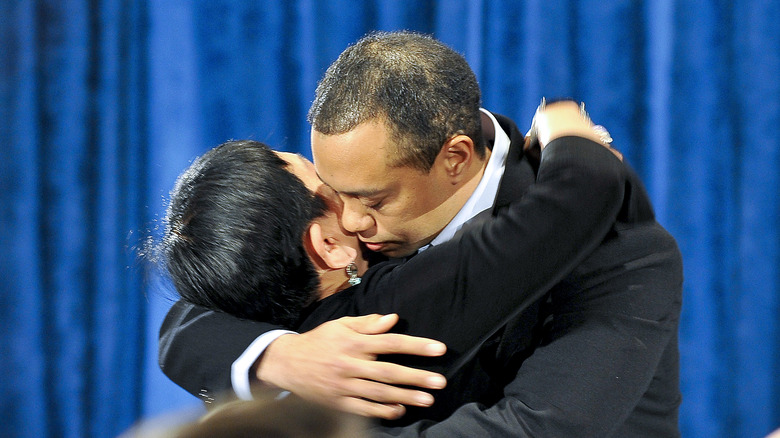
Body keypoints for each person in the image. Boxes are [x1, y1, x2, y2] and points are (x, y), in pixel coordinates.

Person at [160, 31, 683, 436]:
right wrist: (281, 357)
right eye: (335, 191)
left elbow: (534, 429)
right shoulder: (352, 223)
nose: (351, 220)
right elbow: (193, 314)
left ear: (454, 157)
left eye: (373, 199)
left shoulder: (617, 249)